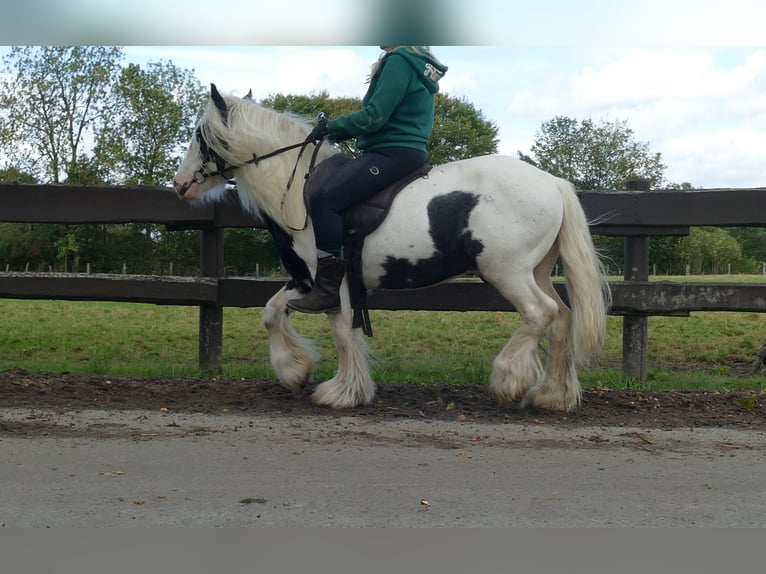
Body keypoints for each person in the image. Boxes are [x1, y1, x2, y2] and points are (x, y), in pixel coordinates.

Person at [287, 46, 448, 314]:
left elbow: (374, 116)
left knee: (325, 199)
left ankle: (327, 290)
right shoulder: (419, 65)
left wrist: (332, 127)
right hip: (406, 151)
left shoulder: (398, 61)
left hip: (391, 152)